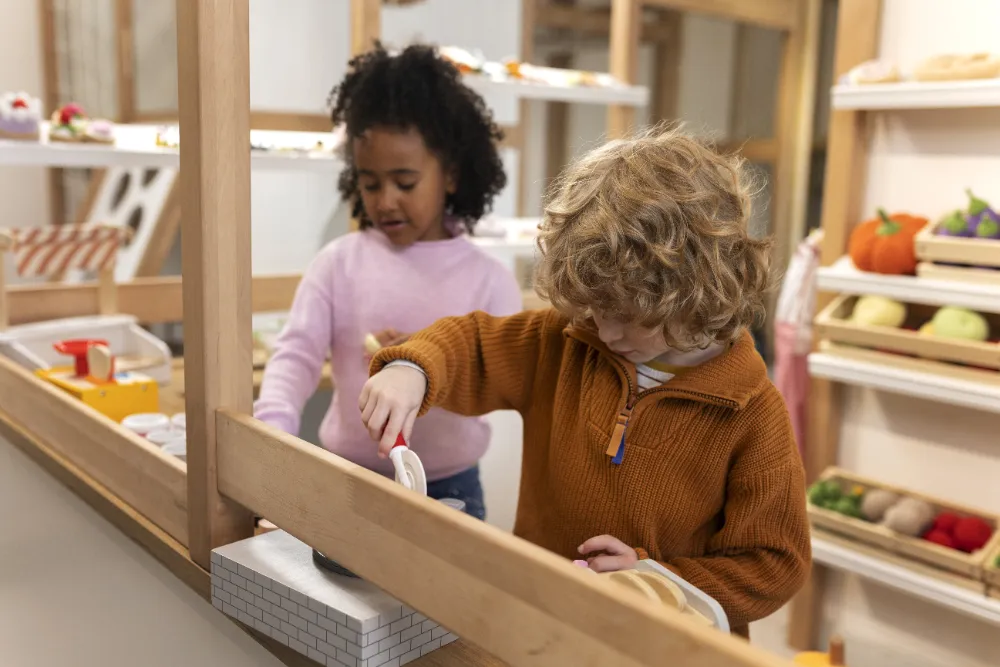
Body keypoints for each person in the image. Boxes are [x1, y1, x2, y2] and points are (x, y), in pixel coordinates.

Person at [359, 124, 811, 638]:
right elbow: (474, 344)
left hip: (662, 648)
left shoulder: (751, 411)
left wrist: (655, 579)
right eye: (594, 308)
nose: (605, 330)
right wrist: (411, 368)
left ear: (695, 293)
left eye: (625, 313)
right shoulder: (569, 338)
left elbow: (774, 564)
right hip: (540, 624)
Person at [254, 43, 523, 521]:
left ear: (453, 175)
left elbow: (502, 384)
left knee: (437, 598)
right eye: (371, 183)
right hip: (345, 476)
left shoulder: (489, 279)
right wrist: (270, 432)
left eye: (405, 182)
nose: (386, 201)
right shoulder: (338, 263)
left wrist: (423, 361)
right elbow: (295, 354)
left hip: (449, 486)